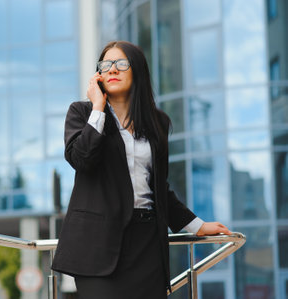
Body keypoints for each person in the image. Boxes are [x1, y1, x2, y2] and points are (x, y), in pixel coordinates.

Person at [51, 41, 231, 299]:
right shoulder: (82, 112)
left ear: (137, 70)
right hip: (98, 246)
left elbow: (159, 188)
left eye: (121, 64)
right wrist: (98, 109)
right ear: (98, 74)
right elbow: (81, 159)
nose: (113, 69)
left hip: (147, 245)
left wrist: (197, 226)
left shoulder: (157, 122)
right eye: (106, 65)